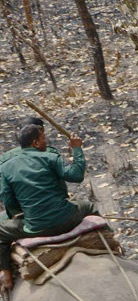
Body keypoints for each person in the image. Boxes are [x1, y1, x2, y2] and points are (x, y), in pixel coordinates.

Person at [0, 123, 97, 290]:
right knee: (89, 207)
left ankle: (5, 273)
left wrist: (20, 213)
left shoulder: (5, 167)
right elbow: (76, 175)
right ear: (35, 143)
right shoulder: (50, 157)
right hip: (68, 219)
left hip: (36, 227)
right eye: (43, 138)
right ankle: (114, 247)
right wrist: (77, 149)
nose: (46, 141)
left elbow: (8, 200)